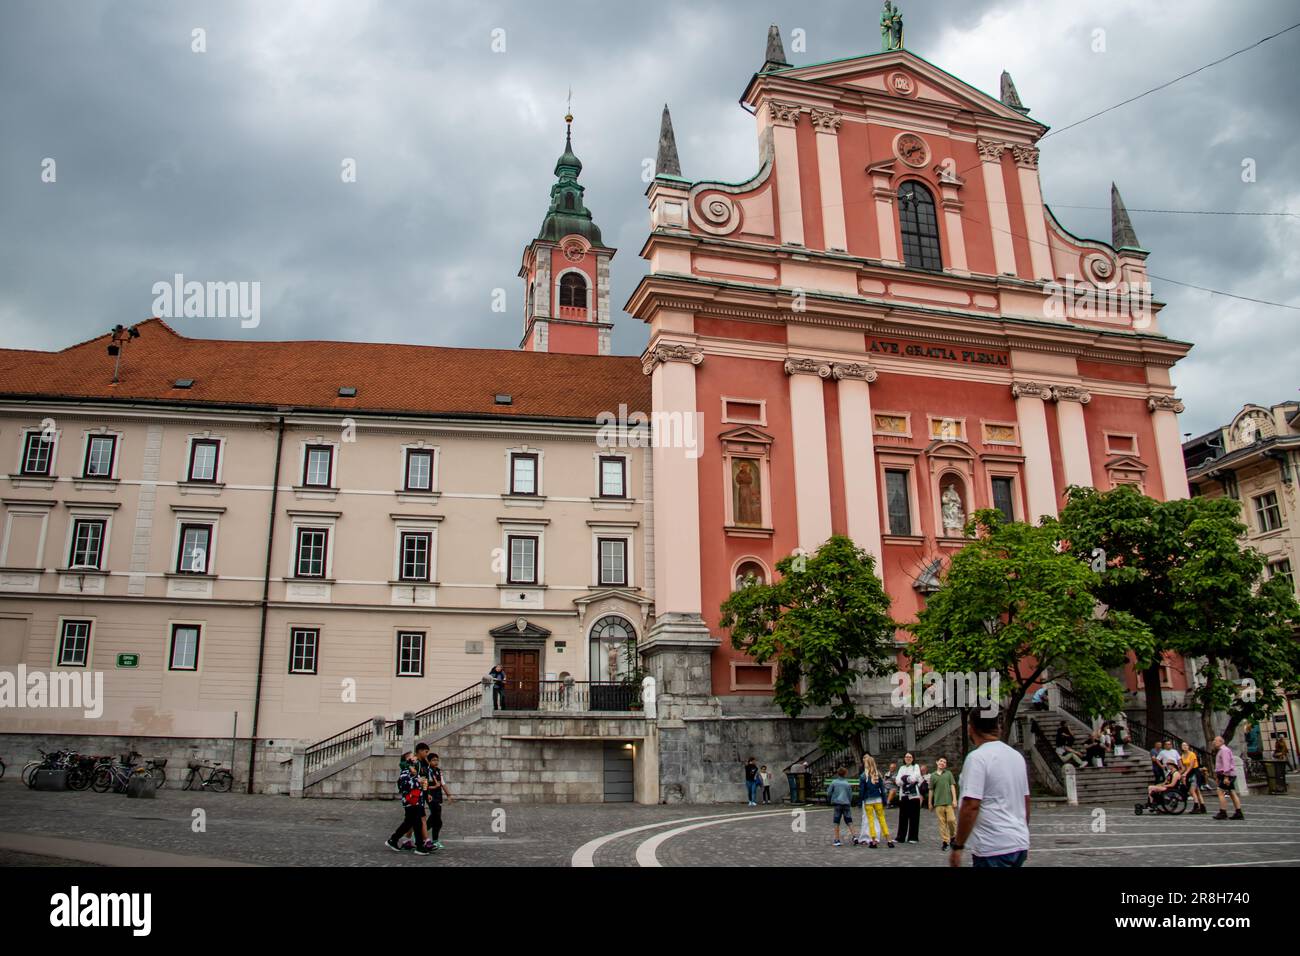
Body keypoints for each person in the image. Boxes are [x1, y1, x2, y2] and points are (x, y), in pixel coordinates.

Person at [950, 710, 1031, 868]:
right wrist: (1021, 831)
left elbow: (971, 805)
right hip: (1018, 841)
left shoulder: (977, 758)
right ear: (998, 727)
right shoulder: (1016, 756)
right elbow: (1026, 801)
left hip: (992, 845)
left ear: (971, 728)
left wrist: (958, 845)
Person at [385, 752, 430, 855]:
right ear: (408, 760)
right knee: (416, 822)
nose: (415, 757)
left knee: (409, 822)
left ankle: (393, 840)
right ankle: (419, 846)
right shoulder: (405, 771)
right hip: (411, 800)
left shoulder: (414, 770)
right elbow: (405, 784)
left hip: (417, 800)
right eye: (412, 756)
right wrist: (418, 781)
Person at [854, 755, 894, 848]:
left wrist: (860, 802)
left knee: (871, 821)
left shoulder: (863, 776)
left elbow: (862, 791)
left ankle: (873, 841)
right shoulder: (878, 774)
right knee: (882, 819)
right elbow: (882, 789)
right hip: (878, 800)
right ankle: (889, 840)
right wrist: (884, 800)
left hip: (868, 801)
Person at [420, 746, 453, 849]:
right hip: (430, 795)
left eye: (437, 760)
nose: (436, 762)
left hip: (437, 796)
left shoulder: (438, 771)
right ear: (429, 761)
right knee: (436, 818)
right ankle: (427, 837)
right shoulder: (426, 771)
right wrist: (433, 787)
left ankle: (424, 835)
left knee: (435, 819)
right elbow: (423, 785)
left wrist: (449, 795)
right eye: (434, 760)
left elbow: (443, 783)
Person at [929, 756, 959, 850]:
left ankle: (953, 837)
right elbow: (931, 790)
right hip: (938, 803)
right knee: (942, 823)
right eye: (941, 761)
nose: (942, 763)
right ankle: (945, 842)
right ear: (937, 762)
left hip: (948, 802)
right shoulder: (933, 776)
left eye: (945, 762)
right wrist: (930, 802)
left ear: (946, 765)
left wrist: (954, 799)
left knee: (951, 820)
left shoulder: (948, 774)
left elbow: (952, 787)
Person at [1212, 735, 1244, 820]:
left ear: (1221, 742)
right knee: (1232, 792)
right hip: (1225, 774)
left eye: (1215, 740)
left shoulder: (1224, 750)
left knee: (1220, 791)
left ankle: (1223, 812)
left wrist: (1226, 777)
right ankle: (1238, 812)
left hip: (1227, 775)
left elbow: (1226, 764)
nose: (1214, 742)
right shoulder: (1221, 750)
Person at [895, 752, 923, 844]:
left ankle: (913, 837)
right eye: (906, 756)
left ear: (913, 758)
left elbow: (915, 778)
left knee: (914, 816)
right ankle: (900, 837)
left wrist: (904, 778)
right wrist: (906, 779)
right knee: (902, 817)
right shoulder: (901, 768)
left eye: (910, 757)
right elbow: (897, 781)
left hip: (914, 795)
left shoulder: (916, 767)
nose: (908, 758)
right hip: (903, 795)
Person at [827, 766, 856, 847]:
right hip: (846, 804)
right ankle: (854, 836)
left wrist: (829, 800)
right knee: (849, 821)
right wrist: (849, 802)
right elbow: (850, 795)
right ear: (845, 774)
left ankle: (837, 839)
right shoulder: (847, 784)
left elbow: (829, 793)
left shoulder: (834, 782)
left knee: (836, 822)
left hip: (837, 804)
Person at [1180, 742, 1205, 814]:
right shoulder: (1182, 755)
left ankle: (1196, 806)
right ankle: (1202, 807)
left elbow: (1191, 765)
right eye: (1183, 745)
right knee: (1197, 791)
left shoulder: (1192, 754)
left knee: (1192, 790)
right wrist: (1181, 773)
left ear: (1188, 746)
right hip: (1188, 773)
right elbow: (1184, 767)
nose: (1184, 747)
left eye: (1186, 745)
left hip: (1194, 772)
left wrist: (1185, 773)